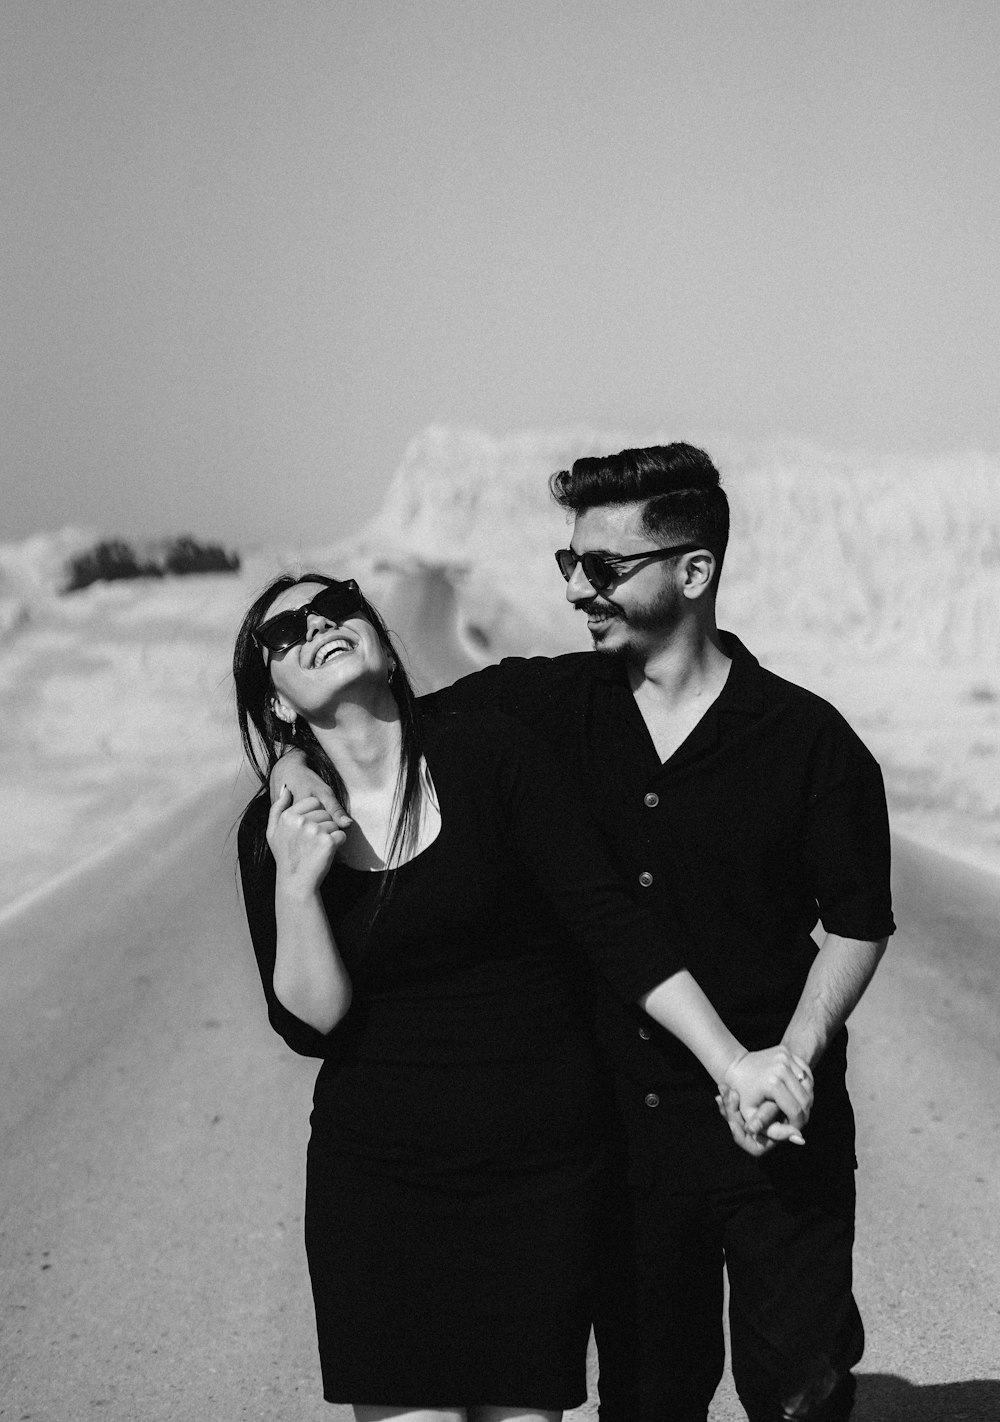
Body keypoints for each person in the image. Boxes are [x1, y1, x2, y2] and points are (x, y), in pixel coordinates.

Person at [279, 444, 895, 1422]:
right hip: (622, 1146)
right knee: (649, 1402)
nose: (575, 589)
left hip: (776, 1124)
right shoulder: (537, 710)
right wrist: (290, 769)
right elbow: (370, 728)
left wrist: (800, 1051)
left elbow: (858, 923)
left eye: (601, 569)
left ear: (692, 572)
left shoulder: (806, 740)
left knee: (795, 1391)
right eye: (568, 564)